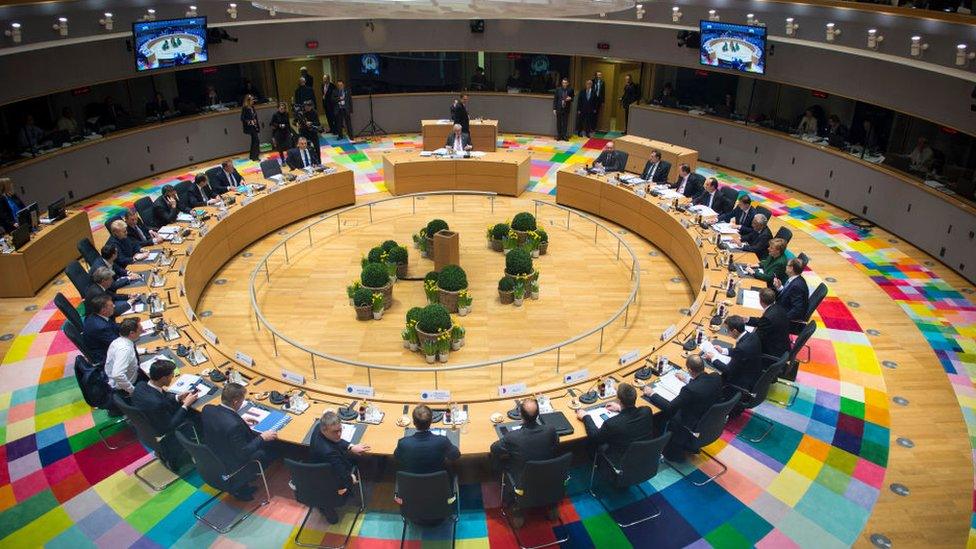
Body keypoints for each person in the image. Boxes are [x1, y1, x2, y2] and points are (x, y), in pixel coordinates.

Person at [201, 382, 278, 501]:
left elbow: (220, 423)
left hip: (214, 455)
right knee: (273, 448)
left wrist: (240, 421)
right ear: (235, 402)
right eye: (242, 401)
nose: (242, 403)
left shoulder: (207, 409)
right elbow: (243, 452)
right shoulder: (233, 426)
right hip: (232, 465)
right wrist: (263, 437)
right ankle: (243, 484)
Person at [490, 398, 559, 526]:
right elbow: (556, 445)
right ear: (538, 414)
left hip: (523, 483)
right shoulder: (551, 430)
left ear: (520, 415)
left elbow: (494, 448)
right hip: (549, 478)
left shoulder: (513, 437)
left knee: (496, 460)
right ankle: (550, 504)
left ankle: (514, 505)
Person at [644, 355, 722, 461]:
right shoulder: (715, 377)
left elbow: (670, 408)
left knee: (659, 415)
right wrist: (687, 379)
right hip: (708, 421)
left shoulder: (689, 390)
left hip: (689, 423)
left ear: (689, 369)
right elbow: (702, 387)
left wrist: (652, 394)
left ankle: (660, 448)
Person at [130, 359, 200, 469]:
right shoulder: (156, 404)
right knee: (197, 416)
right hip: (163, 431)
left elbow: (162, 398)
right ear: (163, 378)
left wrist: (178, 397)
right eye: (171, 376)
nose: (172, 378)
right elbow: (170, 425)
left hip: (148, 426)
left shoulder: (141, 385)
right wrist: (185, 405)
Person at [308, 411, 371, 524]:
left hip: (315, 472)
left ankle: (325, 506)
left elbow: (335, 441)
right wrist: (351, 477)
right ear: (324, 430)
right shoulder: (329, 452)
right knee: (362, 462)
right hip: (332, 482)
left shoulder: (319, 427)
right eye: (335, 432)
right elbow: (343, 476)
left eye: (340, 430)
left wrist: (350, 446)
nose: (339, 434)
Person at [576, 382, 654, 463]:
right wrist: (620, 408)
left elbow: (595, 437)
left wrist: (586, 417)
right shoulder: (646, 411)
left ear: (619, 401)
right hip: (644, 455)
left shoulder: (612, 424)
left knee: (590, 445)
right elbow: (632, 411)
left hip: (622, 462)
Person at [393, 405, 460, 475]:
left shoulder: (403, 443)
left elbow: (397, 457)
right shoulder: (442, 441)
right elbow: (456, 455)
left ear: (414, 423)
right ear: (431, 421)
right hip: (438, 482)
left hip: (411, 484)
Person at [705, 315, 763, 391]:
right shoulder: (752, 335)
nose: (726, 333)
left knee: (710, 377)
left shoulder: (741, 349)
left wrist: (713, 359)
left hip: (742, 381)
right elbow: (739, 352)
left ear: (735, 331)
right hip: (754, 371)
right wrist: (723, 350)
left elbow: (728, 370)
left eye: (727, 330)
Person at [104, 317, 146, 398]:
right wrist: (132, 390)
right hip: (125, 387)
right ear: (132, 333)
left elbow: (129, 353)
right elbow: (117, 375)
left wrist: (144, 351)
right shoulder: (125, 350)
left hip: (130, 376)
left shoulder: (119, 340)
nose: (142, 331)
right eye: (140, 330)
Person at [747, 288, 791, 359]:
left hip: (772, 352)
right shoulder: (778, 307)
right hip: (783, 346)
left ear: (760, 301)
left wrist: (739, 331)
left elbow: (756, 339)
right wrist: (747, 320)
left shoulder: (768, 318)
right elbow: (763, 323)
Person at [82, 295, 119, 364]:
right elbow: (118, 344)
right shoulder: (101, 327)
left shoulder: (94, 316)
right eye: (111, 305)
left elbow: (114, 326)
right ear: (103, 310)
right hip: (105, 356)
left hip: (104, 346)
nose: (114, 306)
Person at [774, 258, 810, 322]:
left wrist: (780, 319)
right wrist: (779, 287)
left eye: (787, 265)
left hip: (784, 315)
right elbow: (788, 295)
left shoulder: (797, 286)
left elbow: (797, 310)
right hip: (781, 307)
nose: (785, 266)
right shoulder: (794, 279)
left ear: (791, 268)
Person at [241, 94, 261, 161]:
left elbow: (256, 117)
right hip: (250, 127)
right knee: (256, 141)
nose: (253, 101)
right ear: (248, 100)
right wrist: (249, 122)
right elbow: (242, 118)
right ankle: (255, 156)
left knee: (254, 141)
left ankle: (252, 156)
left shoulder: (252, 107)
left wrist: (257, 126)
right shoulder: (245, 108)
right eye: (252, 100)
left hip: (254, 126)